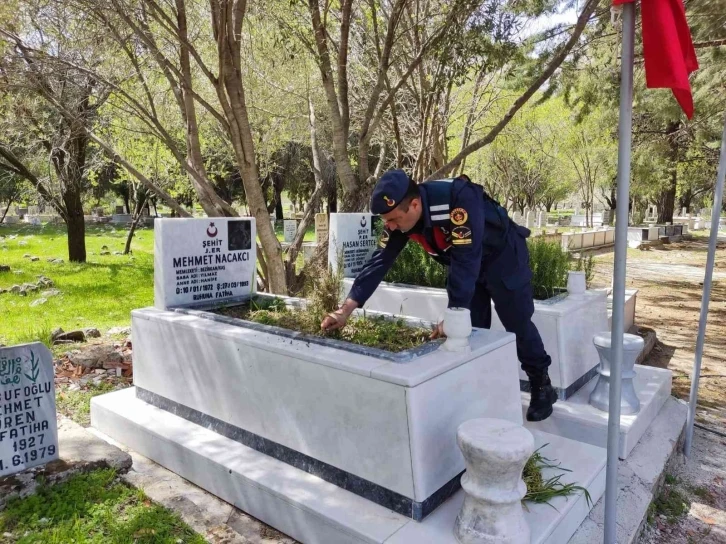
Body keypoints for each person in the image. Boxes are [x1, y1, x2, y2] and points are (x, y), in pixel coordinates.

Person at [320, 169, 557, 421]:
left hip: (503, 257)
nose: (388, 226)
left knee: (516, 321)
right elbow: (380, 261)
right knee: (470, 329)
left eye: (392, 219)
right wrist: (345, 309)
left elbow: (466, 258)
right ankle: (475, 390)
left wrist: (453, 312)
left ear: (414, 205)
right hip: (466, 267)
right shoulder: (400, 218)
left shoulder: (457, 200)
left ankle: (541, 383)